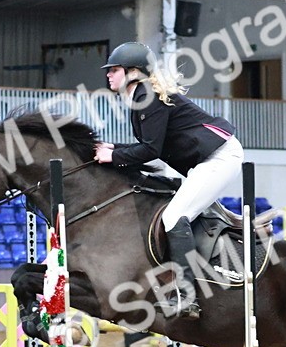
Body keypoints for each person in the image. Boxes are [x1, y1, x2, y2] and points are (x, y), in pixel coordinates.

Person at [93, 42, 243, 320]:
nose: (108, 75)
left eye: (114, 70)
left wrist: (112, 156)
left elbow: (151, 151)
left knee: (174, 217)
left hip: (220, 157)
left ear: (133, 72)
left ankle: (186, 295)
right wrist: (113, 149)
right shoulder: (140, 97)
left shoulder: (147, 96)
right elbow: (151, 146)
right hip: (209, 159)